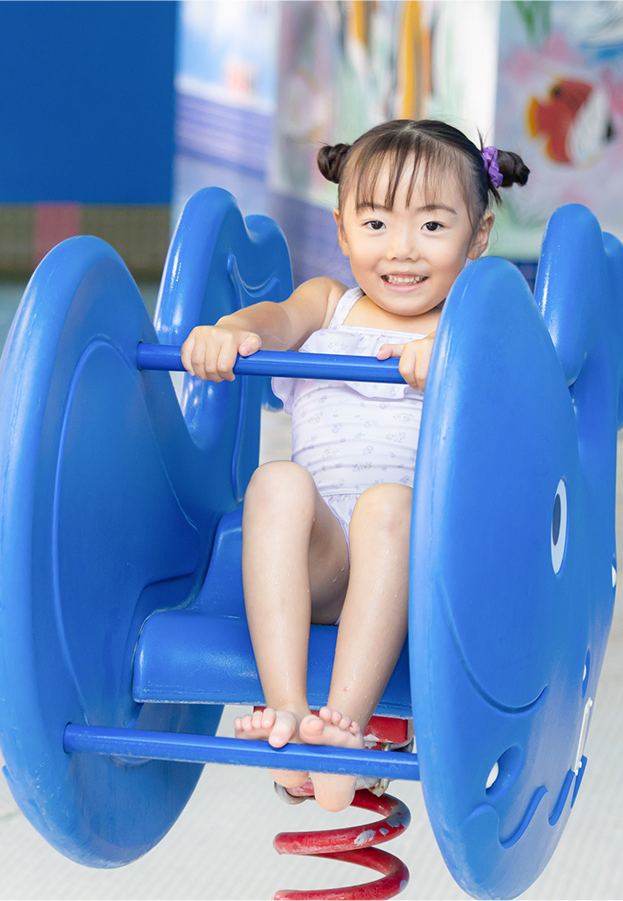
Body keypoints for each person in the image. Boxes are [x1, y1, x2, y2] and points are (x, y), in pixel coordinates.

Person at [181, 119, 529, 811]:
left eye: (432, 226)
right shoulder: (327, 306)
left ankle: (345, 722)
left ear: (478, 235)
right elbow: (274, 321)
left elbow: (520, 410)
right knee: (276, 482)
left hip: (418, 566)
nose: (401, 249)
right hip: (322, 563)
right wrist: (231, 332)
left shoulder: (473, 327)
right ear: (342, 230)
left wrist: (457, 361)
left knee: (387, 504)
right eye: (375, 224)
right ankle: (286, 709)